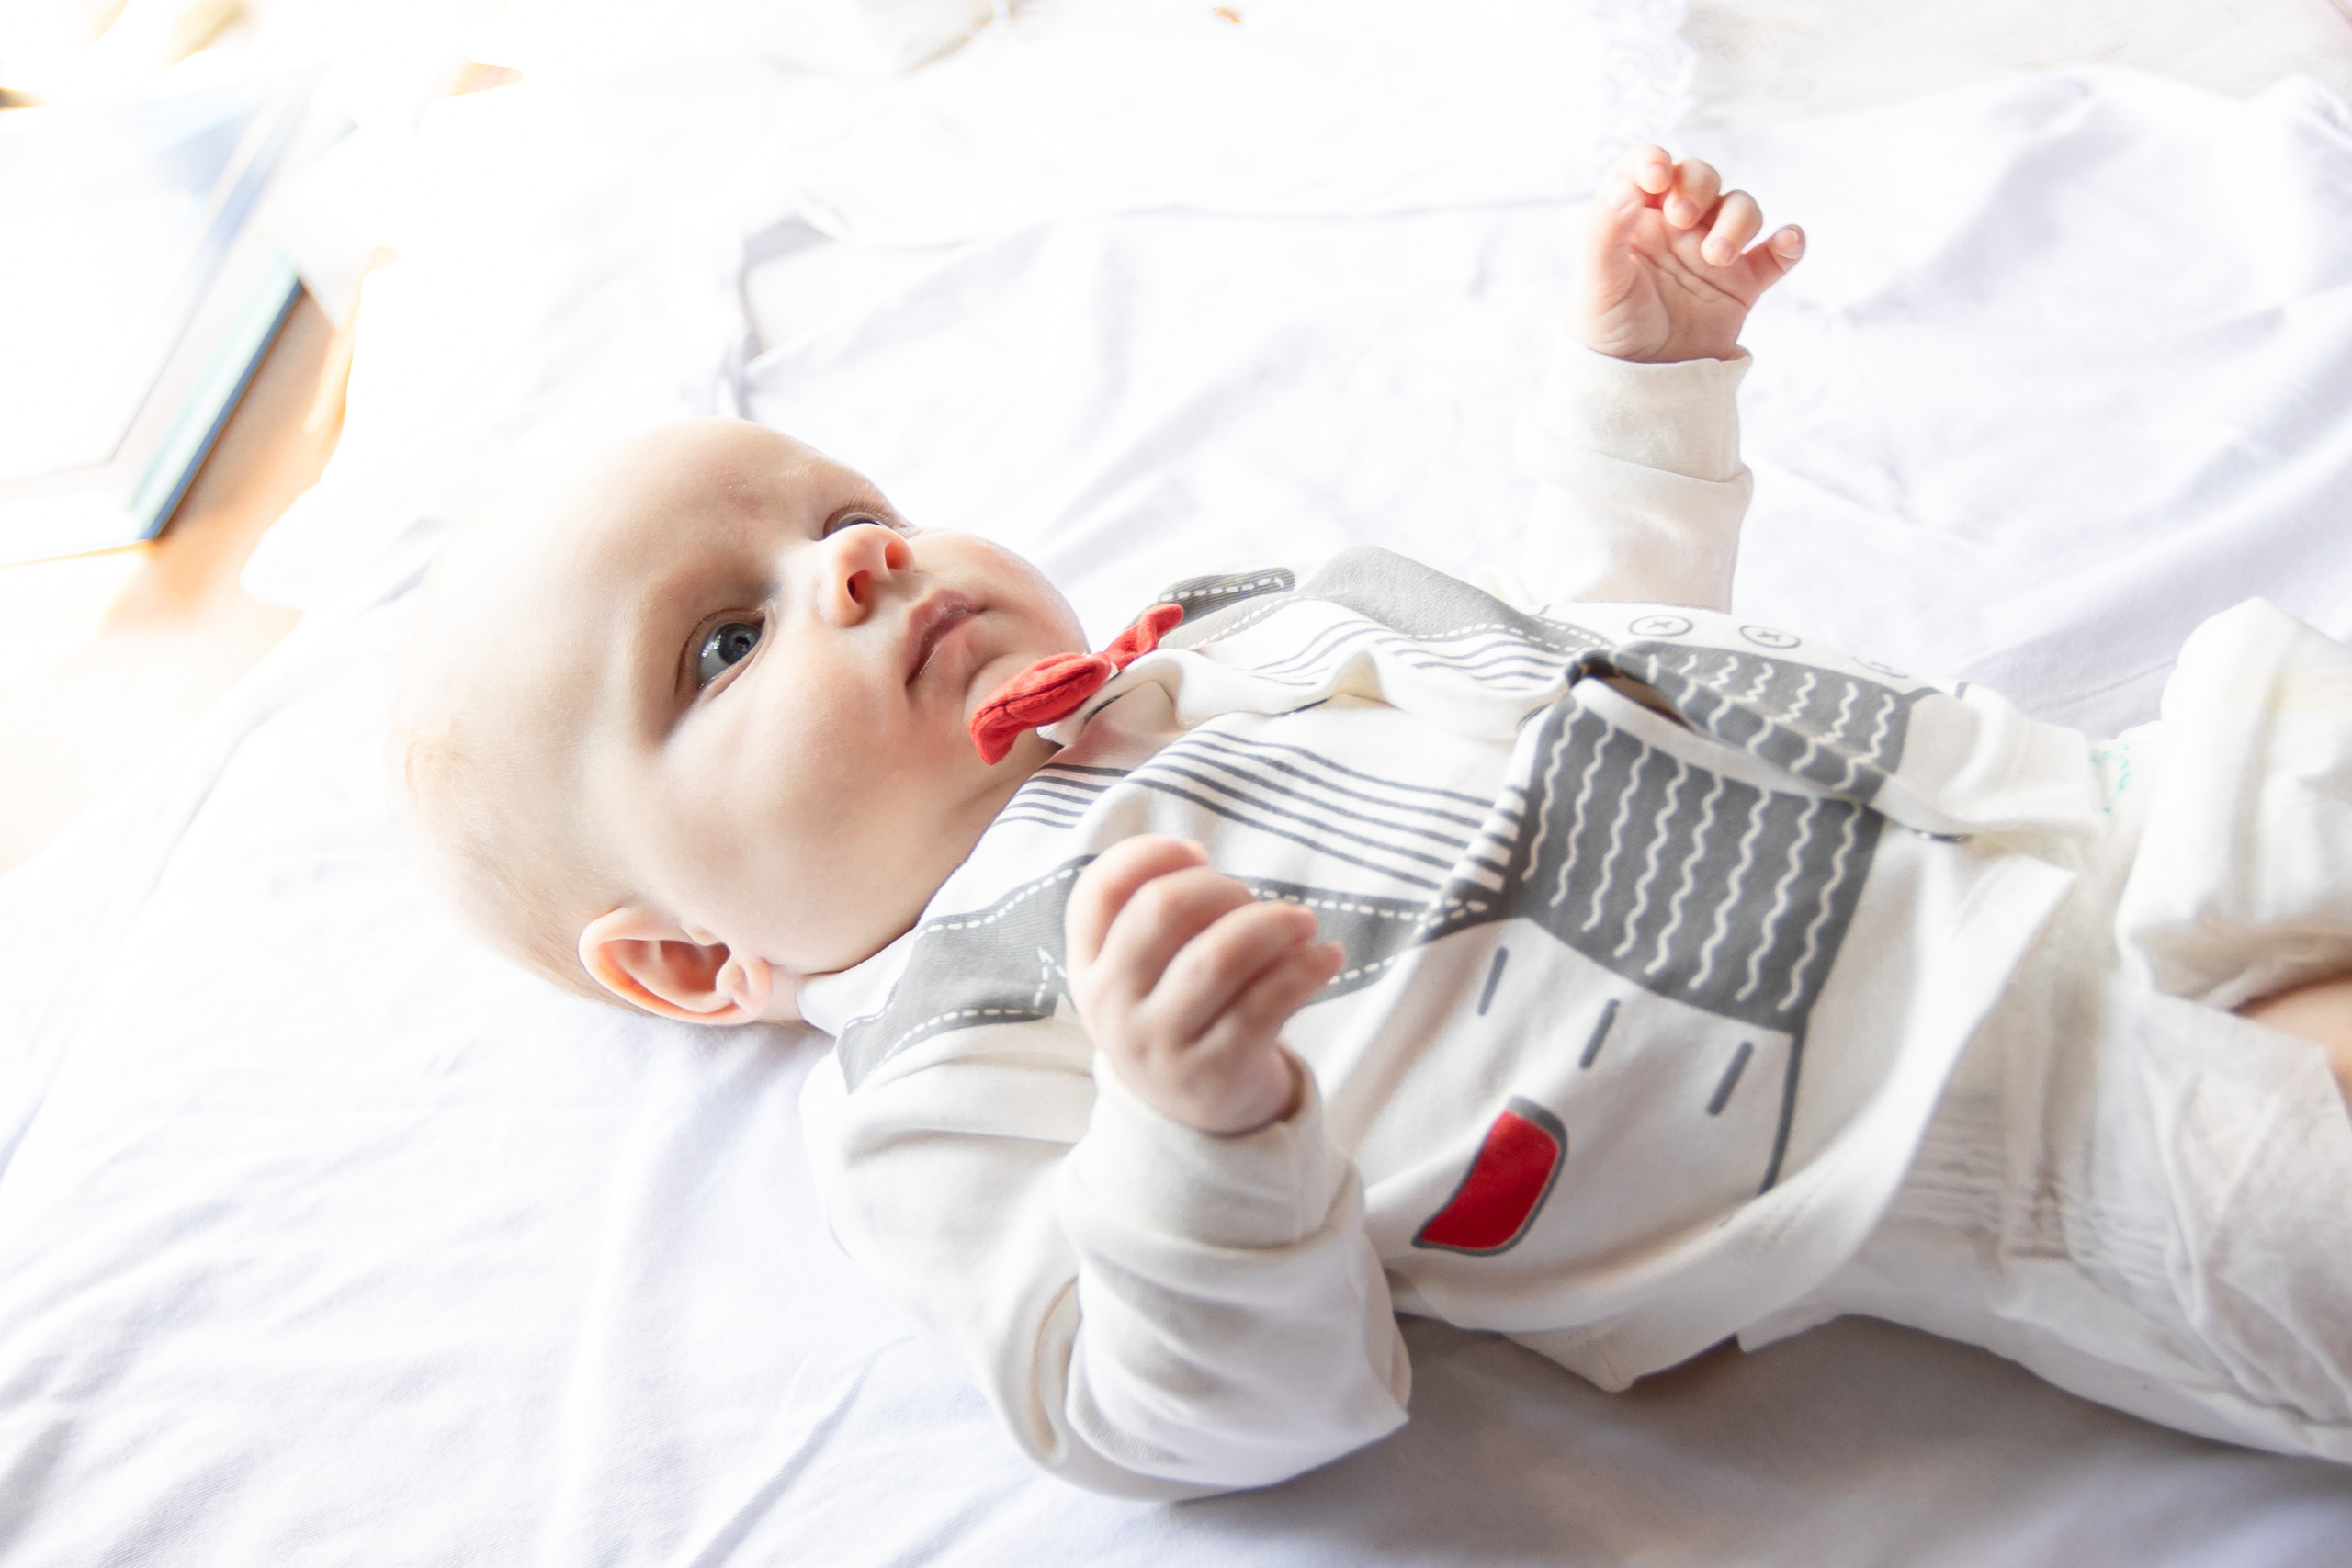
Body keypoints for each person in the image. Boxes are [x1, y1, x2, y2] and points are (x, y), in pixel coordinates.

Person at [393, 147, 2352, 1496]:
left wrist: (1644, 397)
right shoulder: (948, 1063)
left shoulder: (1224, 638)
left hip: (2138, 797)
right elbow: (1158, 1402)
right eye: (724, 640)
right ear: (693, 958)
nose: (856, 563)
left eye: (843, 513)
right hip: (1990, 1112)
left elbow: (1586, 647)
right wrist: (1200, 1131)